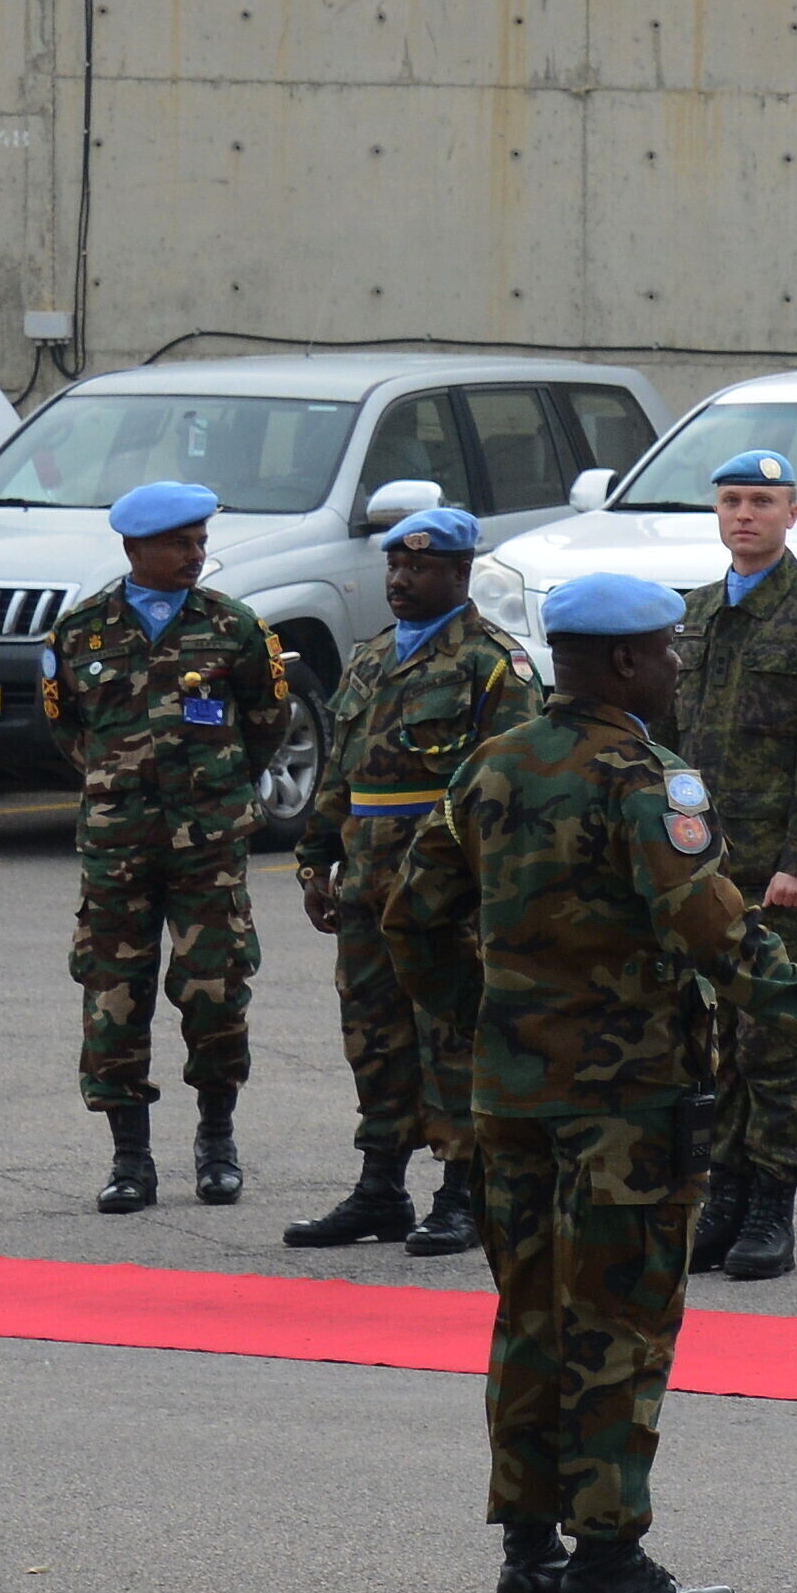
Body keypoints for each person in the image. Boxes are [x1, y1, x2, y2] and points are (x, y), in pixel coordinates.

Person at [379, 572, 797, 1593]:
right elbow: (712, 925)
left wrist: (486, 1016)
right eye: (670, 651)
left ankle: (527, 1552)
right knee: (619, 1320)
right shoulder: (649, 779)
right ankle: (606, 1551)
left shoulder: (492, 763)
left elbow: (410, 915)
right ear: (628, 661)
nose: (679, 667)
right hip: (627, 1100)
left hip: (512, 1094)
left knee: (531, 1313)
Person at [286, 502, 538, 1257]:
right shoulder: (370, 657)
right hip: (367, 882)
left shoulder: (493, 664)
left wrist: (484, 886)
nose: (400, 579)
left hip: (444, 887)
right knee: (373, 1033)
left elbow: (509, 788)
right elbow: (342, 771)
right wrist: (315, 858)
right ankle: (380, 1186)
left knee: (451, 1036)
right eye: (395, 564)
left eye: (419, 567)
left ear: (460, 573)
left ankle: (462, 1192)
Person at [45, 479, 286, 1214]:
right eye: (179, 544)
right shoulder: (80, 631)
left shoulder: (233, 626)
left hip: (207, 844)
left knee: (215, 991)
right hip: (117, 845)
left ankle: (217, 1141)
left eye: (200, 541)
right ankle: (130, 1159)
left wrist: (216, 790)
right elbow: (68, 728)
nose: (194, 554)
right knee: (113, 996)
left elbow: (266, 720)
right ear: (134, 549)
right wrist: (118, 784)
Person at [671, 446, 797, 1284]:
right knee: (714, 1043)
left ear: (794, 514)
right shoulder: (694, 613)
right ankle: (724, 1195)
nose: (744, 515)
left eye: (761, 502)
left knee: (778, 1042)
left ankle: (772, 1206)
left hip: (777, 873)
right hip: (704, 868)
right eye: (731, 502)